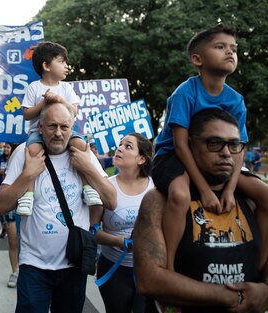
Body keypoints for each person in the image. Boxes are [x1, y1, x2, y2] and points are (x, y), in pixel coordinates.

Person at [152, 24, 268, 272]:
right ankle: (168, 267)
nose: (230, 52)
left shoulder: (236, 100)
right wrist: (204, 190)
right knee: (180, 195)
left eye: (234, 49)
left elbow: (239, 147)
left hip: (218, 157)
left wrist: (229, 190)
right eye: (221, 47)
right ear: (197, 59)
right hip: (173, 155)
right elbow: (181, 145)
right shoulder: (186, 93)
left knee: (265, 195)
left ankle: (258, 268)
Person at [134, 108, 268, 313]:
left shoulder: (254, 201)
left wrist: (265, 291)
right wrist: (231, 297)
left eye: (233, 145)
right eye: (214, 143)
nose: (225, 152)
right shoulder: (160, 200)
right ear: (190, 146)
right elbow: (149, 280)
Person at [0, 100, 115, 313]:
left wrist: (89, 168)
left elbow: (111, 200)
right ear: (40, 127)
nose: (58, 133)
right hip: (34, 267)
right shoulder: (25, 153)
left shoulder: (83, 153)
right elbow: (2, 205)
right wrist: (28, 175)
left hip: (74, 265)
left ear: (72, 128)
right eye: (52, 126)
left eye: (64, 127)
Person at [17, 41, 103, 216]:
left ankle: (87, 187)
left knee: (80, 144)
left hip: (66, 133)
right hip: (38, 133)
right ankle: (28, 194)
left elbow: (74, 112)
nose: (66, 66)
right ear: (46, 66)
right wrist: (44, 102)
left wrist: (59, 99)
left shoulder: (66, 88)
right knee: (32, 149)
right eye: (61, 62)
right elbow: (27, 114)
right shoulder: (34, 88)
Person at [94, 133, 154, 313]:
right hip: (113, 269)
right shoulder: (105, 186)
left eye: (128, 146)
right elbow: (93, 231)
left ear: (141, 159)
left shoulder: (156, 187)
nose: (119, 148)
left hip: (148, 270)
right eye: (120, 145)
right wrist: (117, 241)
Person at [0, 142, 20, 287]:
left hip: (30, 203)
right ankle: (15, 272)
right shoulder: (4, 161)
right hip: (11, 204)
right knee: (13, 241)